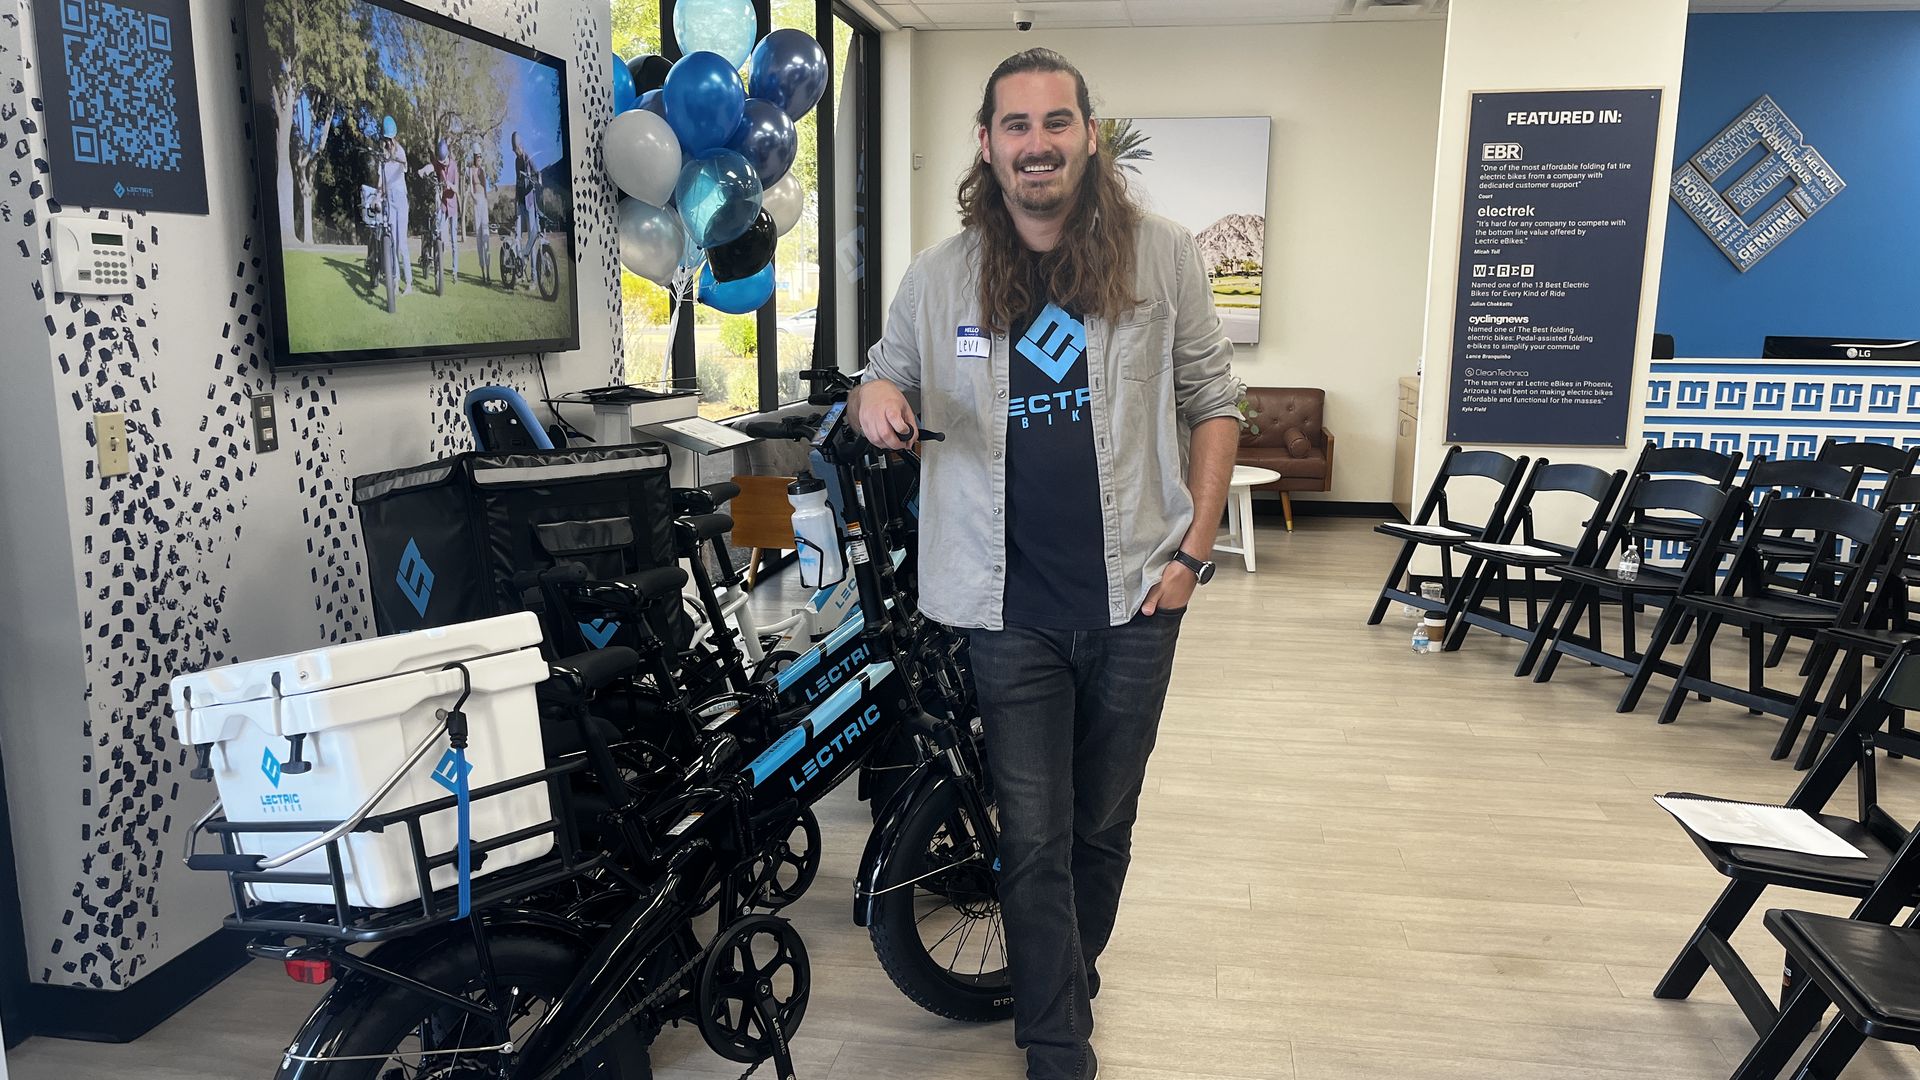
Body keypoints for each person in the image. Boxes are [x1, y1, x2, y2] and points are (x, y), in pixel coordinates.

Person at [850, 48, 1242, 1080]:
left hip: (1138, 595)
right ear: (988, 145)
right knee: (1031, 833)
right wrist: (875, 398)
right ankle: (1055, 1038)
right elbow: (882, 373)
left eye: (1055, 122)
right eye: (1015, 126)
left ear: (1088, 135)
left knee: (1103, 824)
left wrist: (1192, 558)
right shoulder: (941, 275)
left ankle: (1067, 963)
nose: (1037, 144)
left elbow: (1214, 401)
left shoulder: (1160, 258)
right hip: (1004, 606)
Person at [378, 115, 412, 296]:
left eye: (390, 139)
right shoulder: (382, 157)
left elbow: (403, 165)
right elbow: (381, 182)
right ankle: (395, 278)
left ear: (394, 138)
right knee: (391, 243)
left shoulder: (400, 152)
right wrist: (377, 196)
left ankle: (409, 284)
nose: (388, 142)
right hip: (389, 199)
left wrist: (393, 156)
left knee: (401, 244)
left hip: (400, 198)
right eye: (386, 139)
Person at [416, 138, 460, 279]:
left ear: (448, 157)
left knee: (454, 239)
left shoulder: (454, 166)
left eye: (445, 161)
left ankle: (455, 271)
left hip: (452, 206)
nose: (443, 164)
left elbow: (457, 189)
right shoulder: (439, 164)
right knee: (437, 230)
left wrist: (449, 185)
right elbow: (431, 166)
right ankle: (437, 261)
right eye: (441, 162)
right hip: (443, 203)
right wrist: (423, 170)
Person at [512, 131, 541, 276]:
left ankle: (534, 277)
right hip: (521, 203)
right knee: (517, 236)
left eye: (517, 148)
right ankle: (519, 269)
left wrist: (537, 179)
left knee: (532, 237)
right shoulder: (517, 161)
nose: (516, 152)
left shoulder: (528, 158)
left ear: (521, 146)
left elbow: (537, 172)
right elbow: (517, 182)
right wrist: (516, 201)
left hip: (529, 203)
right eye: (514, 149)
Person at [468, 150, 492, 285]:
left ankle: (488, 273)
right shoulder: (471, 171)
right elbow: (471, 188)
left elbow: (485, 188)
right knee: (479, 237)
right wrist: (473, 198)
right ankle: (483, 273)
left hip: (483, 201)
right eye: (477, 157)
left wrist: (485, 202)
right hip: (476, 202)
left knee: (486, 236)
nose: (479, 159)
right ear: (474, 158)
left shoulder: (482, 171)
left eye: (480, 157)